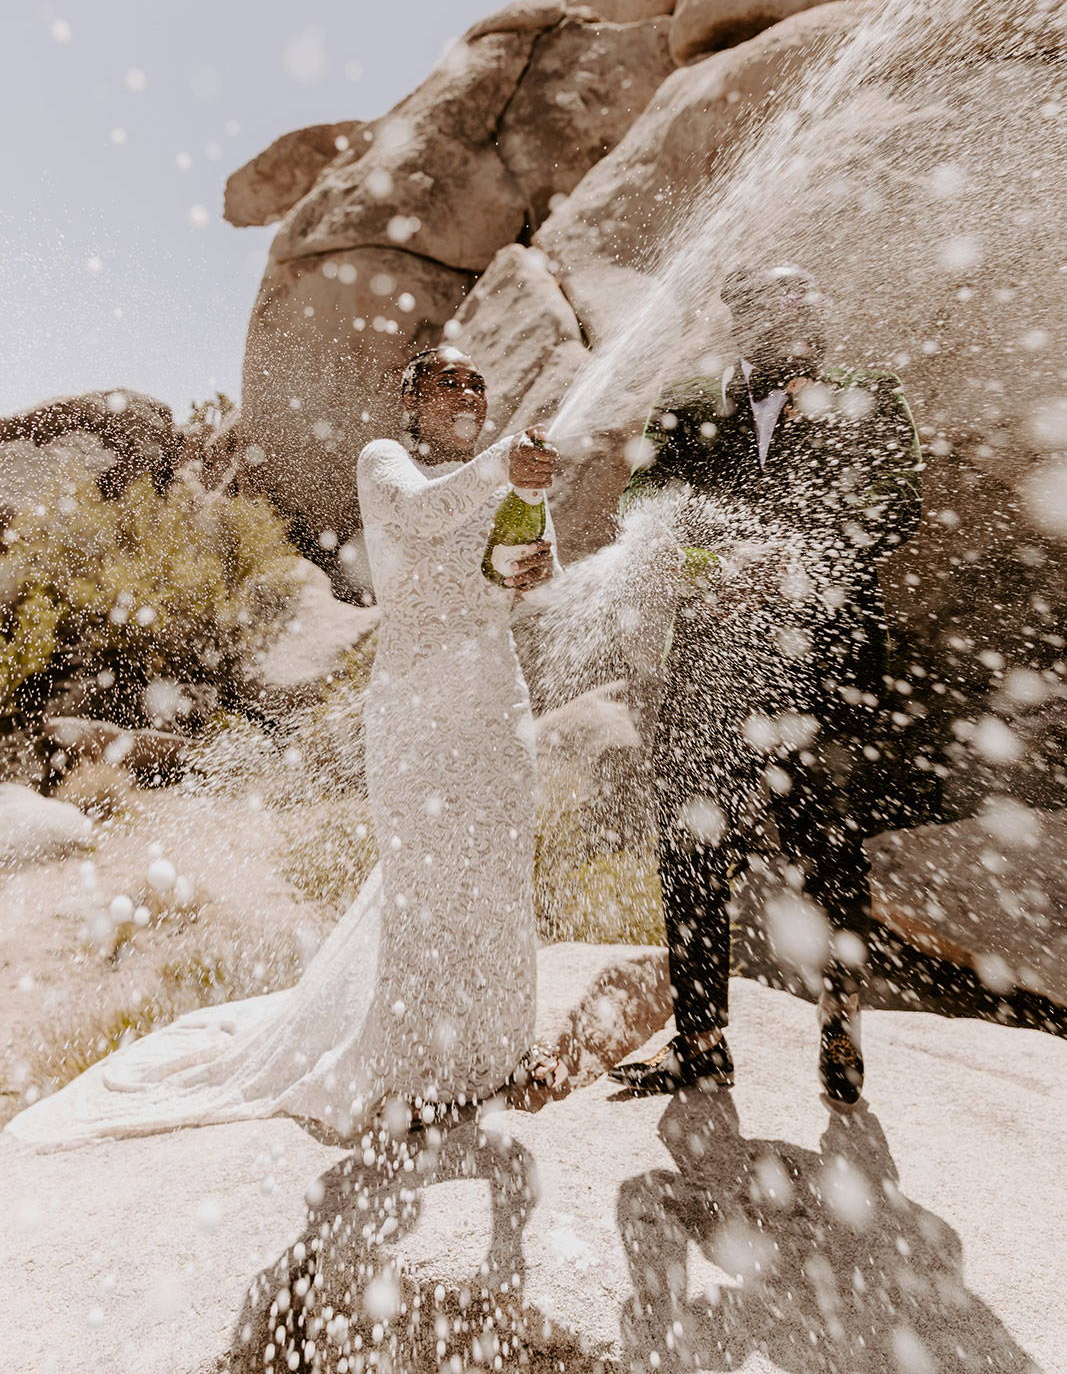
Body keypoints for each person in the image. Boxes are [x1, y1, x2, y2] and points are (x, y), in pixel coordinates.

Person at [6, 346, 560, 1146]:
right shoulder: (387, 461)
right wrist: (504, 467)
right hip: (416, 700)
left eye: (477, 381)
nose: (468, 392)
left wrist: (537, 559)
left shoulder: (510, 478)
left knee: (502, 870)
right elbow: (420, 514)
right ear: (411, 405)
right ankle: (414, 1069)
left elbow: (535, 566)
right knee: (426, 877)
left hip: (494, 697)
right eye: (449, 381)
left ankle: (499, 1053)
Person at [609, 265, 922, 1106]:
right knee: (687, 843)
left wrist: (786, 558)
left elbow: (896, 506)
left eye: (810, 306)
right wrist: (708, 560)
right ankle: (701, 1042)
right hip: (712, 664)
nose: (802, 322)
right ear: (742, 322)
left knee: (828, 847)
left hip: (825, 662)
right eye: (782, 311)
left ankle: (840, 1026)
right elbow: (640, 507)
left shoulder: (868, 395)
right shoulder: (687, 401)